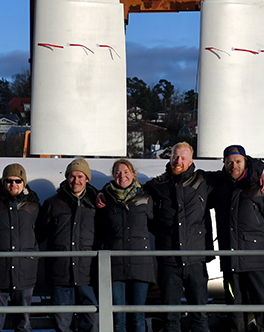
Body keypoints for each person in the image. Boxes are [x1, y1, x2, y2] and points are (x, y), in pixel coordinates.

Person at [209, 145, 264, 332]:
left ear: (245, 162)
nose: (233, 165)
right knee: (235, 312)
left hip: (257, 261)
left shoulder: (260, 187)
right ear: (224, 164)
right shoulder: (219, 186)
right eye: (229, 162)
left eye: (237, 161)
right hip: (231, 263)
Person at [142, 142, 216, 332]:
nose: (178, 161)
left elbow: (235, 174)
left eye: (183, 158)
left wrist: (261, 174)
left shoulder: (204, 181)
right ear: (170, 157)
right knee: (170, 318)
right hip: (169, 261)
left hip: (196, 261)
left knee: (200, 317)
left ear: (191, 160)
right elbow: (131, 193)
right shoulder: (158, 185)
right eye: (175, 157)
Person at [36, 157, 100, 332]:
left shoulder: (97, 203)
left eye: (80, 176)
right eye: (72, 176)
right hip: (60, 273)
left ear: (87, 178)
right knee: (62, 323)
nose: (76, 181)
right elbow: (39, 234)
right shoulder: (53, 203)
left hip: (88, 273)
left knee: (92, 322)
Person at [0, 163, 40, 332]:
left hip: (24, 273)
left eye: (18, 181)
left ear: (24, 182)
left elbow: (40, 233)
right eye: (9, 181)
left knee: (23, 324)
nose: (13, 184)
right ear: (3, 182)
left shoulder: (33, 206)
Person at [96, 159, 155, 332]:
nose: (122, 176)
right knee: (118, 316)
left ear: (133, 174)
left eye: (126, 172)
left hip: (140, 263)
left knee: (138, 315)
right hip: (115, 264)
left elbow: (156, 223)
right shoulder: (106, 199)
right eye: (118, 173)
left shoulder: (145, 197)